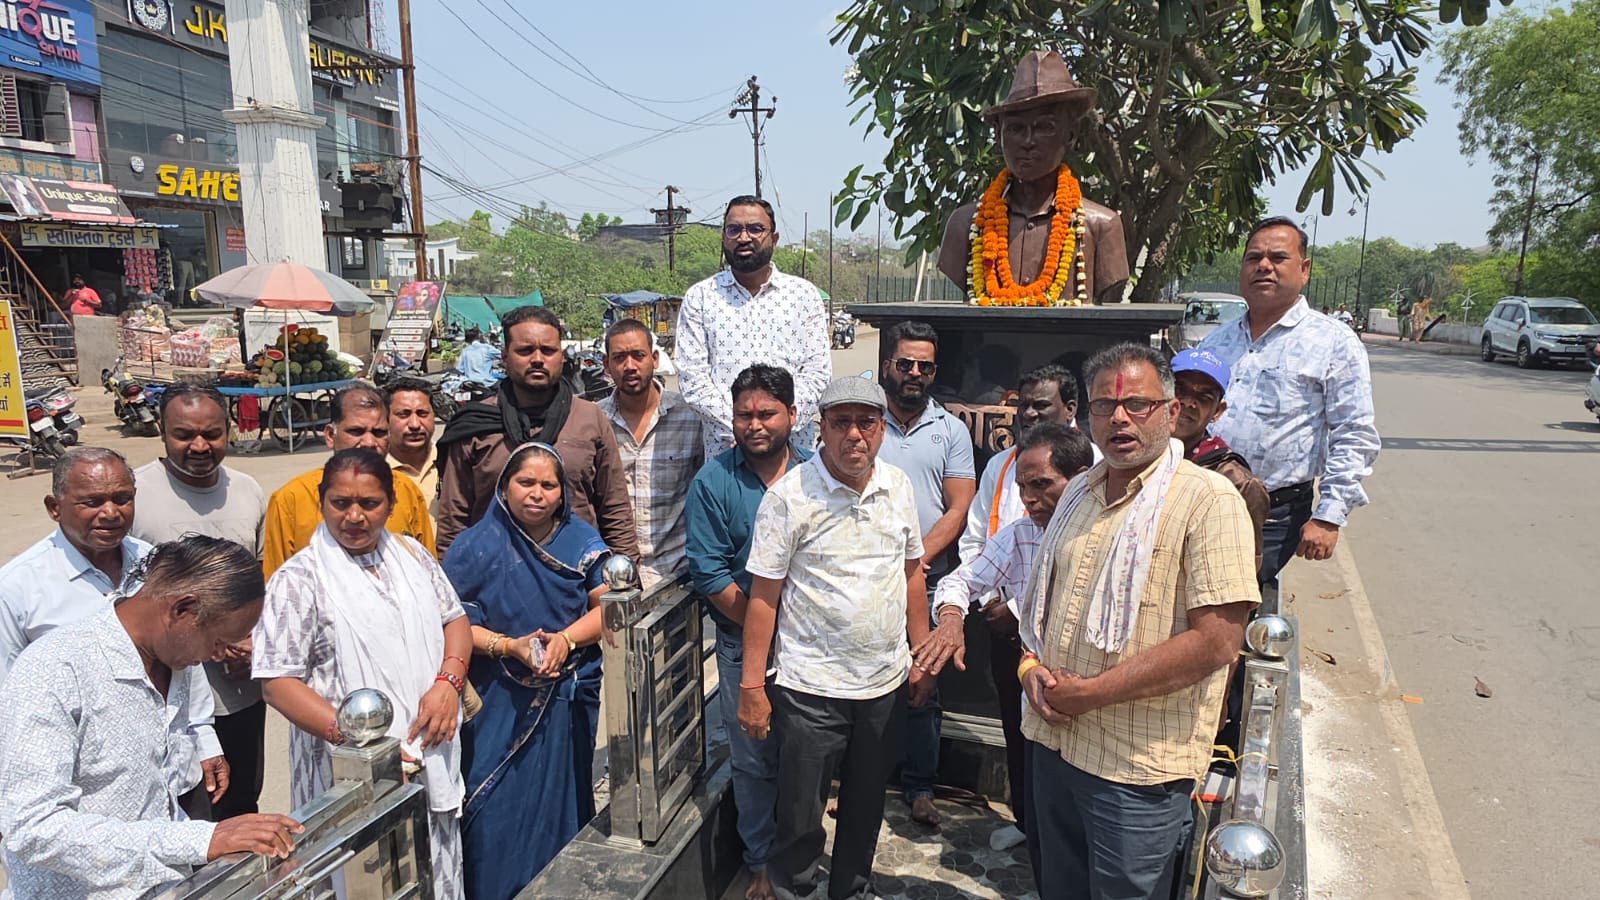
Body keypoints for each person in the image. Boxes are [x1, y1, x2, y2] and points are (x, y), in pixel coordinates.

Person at [1016, 343, 1259, 898]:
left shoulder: (1208, 501)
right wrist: (1029, 668)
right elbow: (1042, 609)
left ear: (1171, 412)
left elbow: (1217, 642)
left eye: (1138, 405)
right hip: (1054, 745)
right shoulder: (1078, 492)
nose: (1120, 418)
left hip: (1136, 768)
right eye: (1105, 405)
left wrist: (1093, 693)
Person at [0, 536, 304, 899]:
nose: (219, 656)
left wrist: (226, 846)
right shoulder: (54, 671)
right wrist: (199, 840)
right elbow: (31, 827)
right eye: (219, 642)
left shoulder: (174, 660)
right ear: (182, 610)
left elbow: (156, 799)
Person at [737, 377, 935, 900]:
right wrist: (752, 686)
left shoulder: (898, 486)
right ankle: (794, 890)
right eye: (841, 422)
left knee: (866, 806)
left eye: (866, 423)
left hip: (883, 684)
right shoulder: (789, 498)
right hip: (810, 688)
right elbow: (763, 598)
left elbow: (911, 573)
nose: (854, 435)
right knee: (800, 815)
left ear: (882, 429)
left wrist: (921, 655)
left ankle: (852, 890)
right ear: (820, 428)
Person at [253, 448, 470, 900]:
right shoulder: (299, 579)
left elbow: (455, 621)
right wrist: (364, 747)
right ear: (321, 502)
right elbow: (277, 682)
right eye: (340, 503)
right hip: (342, 764)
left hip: (427, 753)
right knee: (357, 877)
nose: (354, 516)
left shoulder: (412, 555)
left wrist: (448, 684)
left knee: (432, 872)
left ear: (390, 504)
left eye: (369, 504)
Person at [0, 448, 225, 806]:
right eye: (92, 502)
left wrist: (204, 737)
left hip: (176, 774)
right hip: (91, 793)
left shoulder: (157, 564)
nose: (110, 513)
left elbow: (188, 654)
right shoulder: (18, 588)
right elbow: (9, 696)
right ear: (54, 507)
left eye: (122, 499)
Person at [441, 443, 613, 900]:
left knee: (563, 798)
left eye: (548, 485)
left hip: (564, 697)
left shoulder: (582, 543)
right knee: (490, 805)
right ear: (505, 486)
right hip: (496, 698)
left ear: (562, 493)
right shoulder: (474, 547)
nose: (537, 493)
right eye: (526, 482)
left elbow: (608, 609)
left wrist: (565, 640)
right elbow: (452, 624)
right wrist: (508, 646)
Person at [920, 424, 1092, 852]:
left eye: (1041, 485)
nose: (1029, 499)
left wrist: (1015, 610)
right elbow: (961, 580)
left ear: (1080, 478)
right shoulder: (1020, 533)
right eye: (1022, 487)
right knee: (1042, 809)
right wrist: (951, 618)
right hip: (1036, 693)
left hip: (1096, 702)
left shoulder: (1114, 534)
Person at [1198, 216, 1380, 584]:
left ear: (1304, 269)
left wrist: (1329, 515)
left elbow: (1354, 433)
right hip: (1201, 501)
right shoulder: (1215, 343)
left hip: (1273, 514)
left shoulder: (1334, 342)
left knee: (1228, 597)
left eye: (1278, 258)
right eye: (1254, 258)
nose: (1264, 266)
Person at [685, 365, 810, 900]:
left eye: (766, 414)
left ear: (792, 416)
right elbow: (711, 575)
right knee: (754, 758)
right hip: (743, 647)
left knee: (807, 754)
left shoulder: (815, 475)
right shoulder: (712, 483)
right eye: (744, 415)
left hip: (811, 648)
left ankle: (800, 848)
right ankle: (760, 859)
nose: (754, 425)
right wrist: (765, 629)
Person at [131, 384, 270, 821]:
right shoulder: (132, 496)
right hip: (166, 703)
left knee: (240, 811)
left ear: (229, 429)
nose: (199, 446)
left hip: (238, 695)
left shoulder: (247, 490)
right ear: (162, 431)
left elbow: (259, 584)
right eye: (184, 434)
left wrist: (255, 644)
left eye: (211, 434)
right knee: (175, 819)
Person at [872, 320, 976, 828]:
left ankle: (920, 786)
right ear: (887, 365)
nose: (915, 373)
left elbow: (958, 508)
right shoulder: (865, 421)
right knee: (865, 682)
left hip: (929, 578)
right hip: (868, 577)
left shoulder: (951, 430)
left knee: (923, 684)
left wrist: (914, 559)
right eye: (906, 364)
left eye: (925, 367)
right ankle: (862, 784)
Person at [435, 306, 639, 559]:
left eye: (548, 350)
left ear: (561, 356)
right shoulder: (475, 425)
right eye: (525, 350)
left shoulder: (589, 419)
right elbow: (454, 520)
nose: (538, 359)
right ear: (505, 356)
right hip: (493, 573)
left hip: (577, 572)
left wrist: (626, 571)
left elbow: (614, 508)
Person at [937, 50, 1131, 305]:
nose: (1028, 141)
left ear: (1070, 135)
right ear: (999, 136)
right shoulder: (965, 225)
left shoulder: (1101, 226)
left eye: (1044, 127)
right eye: (1016, 128)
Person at [677, 195, 832, 460]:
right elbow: (692, 378)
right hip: (726, 455)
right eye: (733, 229)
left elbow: (818, 375)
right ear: (724, 237)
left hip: (794, 456)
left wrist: (780, 426)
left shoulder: (803, 295)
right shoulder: (701, 297)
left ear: (774, 238)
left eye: (755, 229)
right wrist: (742, 428)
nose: (743, 237)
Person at [262, 385, 437, 577]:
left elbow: (428, 574)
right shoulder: (291, 499)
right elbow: (277, 583)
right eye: (356, 431)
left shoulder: (406, 490)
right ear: (330, 435)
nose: (369, 442)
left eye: (379, 433)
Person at [598, 317, 704, 589]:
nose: (630, 366)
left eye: (638, 355)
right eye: (619, 358)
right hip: (612, 577)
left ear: (654, 359)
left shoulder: (691, 417)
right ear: (606, 364)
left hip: (677, 575)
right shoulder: (594, 422)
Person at [1169, 349, 1269, 570]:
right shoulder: (1133, 457)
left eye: (1203, 398)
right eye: (1179, 390)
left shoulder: (1237, 482)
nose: (1188, 402)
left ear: (1217, 411)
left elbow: (1243, 569)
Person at [385, 376, 441, 510]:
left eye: (422, 414)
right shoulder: (373, 471)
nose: (415, 424)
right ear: (385, 419)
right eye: (403, 414)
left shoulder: (451, 462)